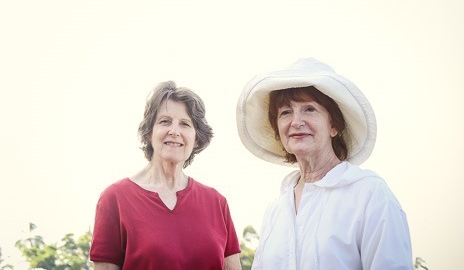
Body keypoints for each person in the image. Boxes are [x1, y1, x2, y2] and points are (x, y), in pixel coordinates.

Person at [236, 57, 413, 269]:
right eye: (285, 112)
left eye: (309, 109)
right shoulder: (275, 210)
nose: (296, 121)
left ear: (334, 126)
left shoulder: (370, 195)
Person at [90, 81, 242, 270]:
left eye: (185, 124)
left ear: (196, 139)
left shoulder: (217, 203)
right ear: (148, 133)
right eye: (165, 121)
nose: (174, 131)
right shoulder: (114, 199)